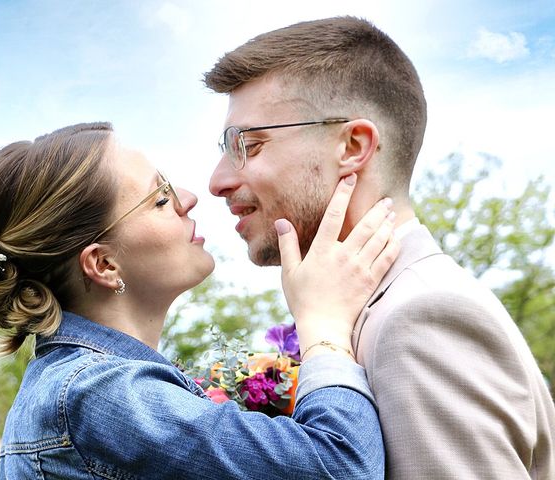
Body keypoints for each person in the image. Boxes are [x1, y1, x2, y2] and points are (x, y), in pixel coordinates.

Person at [205, 16, 555, 479]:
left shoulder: (423, 317)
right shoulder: (366, 308)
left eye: (249, 145)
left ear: (353, 145)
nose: (218, 181)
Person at [0, 122, 400, 479]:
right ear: (104, 264)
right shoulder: (97, 397)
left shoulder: (80, 388)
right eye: (161, 197)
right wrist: (322, 326)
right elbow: (343, 467)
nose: (189, 198)